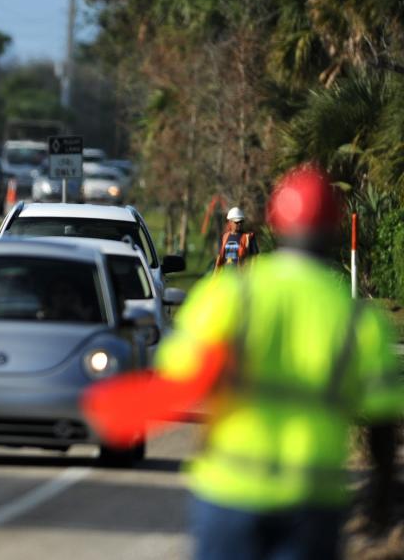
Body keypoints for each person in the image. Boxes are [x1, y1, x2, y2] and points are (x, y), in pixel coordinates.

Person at [82, 164, 403, 560]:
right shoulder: (359, 320)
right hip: (312, 504)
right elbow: (384, 427)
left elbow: (181, 380)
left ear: (275, 222)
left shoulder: (232, 298)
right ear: (335, 228)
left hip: (229, 493)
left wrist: (112, 411)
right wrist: (383, 501)